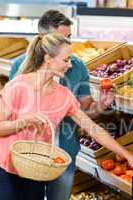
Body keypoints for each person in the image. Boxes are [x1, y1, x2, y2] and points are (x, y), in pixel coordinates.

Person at [0, 33, 133, 200]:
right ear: (48, 58)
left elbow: (94, 129)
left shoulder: (64, 96)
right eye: (65, 60)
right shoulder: (18, 86)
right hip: (3, 167)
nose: (69, 65)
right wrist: (25, 121)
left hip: (35, 170)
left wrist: (128, 156)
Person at [9, 10, 117, 200]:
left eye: (69, 38)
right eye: (61, 38)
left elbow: (85, 112)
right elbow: (13, 114)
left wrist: (102, 105)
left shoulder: (77, 66)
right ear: (42, 39)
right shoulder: (20, 65)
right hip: (31, 153)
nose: (68, 46)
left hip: (64, 153)